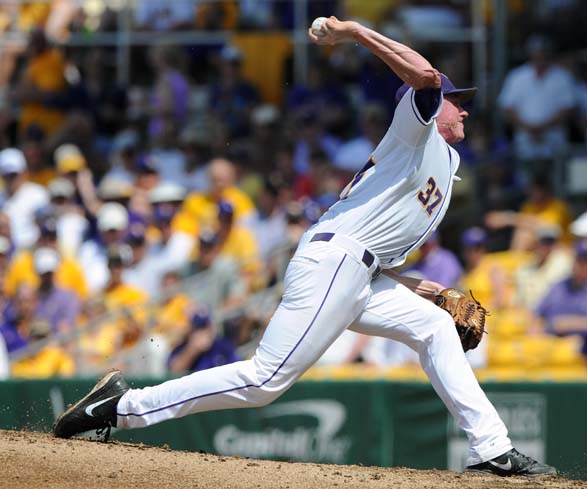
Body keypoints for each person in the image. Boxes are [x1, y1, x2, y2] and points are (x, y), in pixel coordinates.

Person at [53, 16, 556, 477]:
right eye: (457, 99)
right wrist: (357, 32)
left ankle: (491, 449)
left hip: (360, 270)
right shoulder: (415, 133)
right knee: (264, 382)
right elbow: (426, 76)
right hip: (335, 262)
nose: (463, 105)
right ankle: (123, 407)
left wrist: (418, 287)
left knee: (435, 329)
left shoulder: (445, 166)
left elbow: (376, 244)